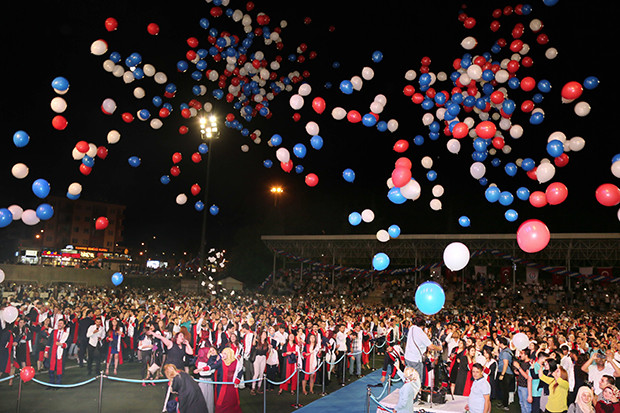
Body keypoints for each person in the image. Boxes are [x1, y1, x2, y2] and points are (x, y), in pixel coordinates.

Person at [404, 317, 441, 384]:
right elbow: (431, 346)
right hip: (415, 359)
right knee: (417, 379)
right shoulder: (421, 333)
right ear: (423, 326)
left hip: (407, 357)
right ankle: (417, 393)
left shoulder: (412, 328)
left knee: (409, 377)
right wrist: (439, 348)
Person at [215, 347, 243, 413]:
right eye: (222, 353)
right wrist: (202, 369)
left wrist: (238, 378)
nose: (223, 355)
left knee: (233, 402)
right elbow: (212, 367)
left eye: (225, 353)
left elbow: (240, 370)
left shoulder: (236, 362)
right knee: (221, 403)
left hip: (232, 386)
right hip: (222, 386)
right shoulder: (221, 362)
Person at [44, 318, 70, 386]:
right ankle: (51, 383)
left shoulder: (66, 334)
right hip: (52, 352)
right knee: (51, 367)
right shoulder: (53, 332)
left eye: (61, 323)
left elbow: (68, 344)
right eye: (59, 323)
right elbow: (49, 342)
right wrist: (46, 351)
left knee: (59, 368)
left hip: (61, 353)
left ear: (64, 325)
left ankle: (58, 383)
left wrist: (62, 344)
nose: (59, 325)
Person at [194, 345, 219, 413]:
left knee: (210, 399)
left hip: (209, 381)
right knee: (203, 397)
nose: (211, 353)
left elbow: (211, 370)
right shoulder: (201, 362)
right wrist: (209, 367)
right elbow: (204, 373)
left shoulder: (211, 360)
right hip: (202, 381)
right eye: (209, 351)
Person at [497, 336, 515, 411]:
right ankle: (503, 403)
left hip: (506, 373)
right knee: (503, 389)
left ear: (501, 343)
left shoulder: (505, 352)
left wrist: (502, 374)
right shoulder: (506, 350)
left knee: (505, 390)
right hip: (506, 373)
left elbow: (505, 364)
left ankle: (505, 405)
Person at [514, 349, 533, 413]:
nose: (520, 355)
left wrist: (518, 367)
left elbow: (527, 376)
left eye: (521, 353)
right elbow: (523, 374)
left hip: (525, 387)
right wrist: (518, 372)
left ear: (526, 355)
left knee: (526, 405)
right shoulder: (522, 363)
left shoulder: (529, 364)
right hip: (520, 385)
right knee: (521, 404)